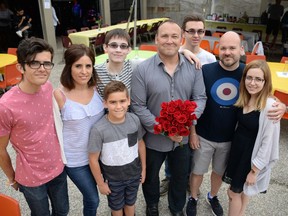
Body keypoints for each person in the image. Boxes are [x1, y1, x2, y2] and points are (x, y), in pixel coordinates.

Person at [186, 31, 286, 216]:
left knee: (218, 172)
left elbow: (265, 93)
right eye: (223, 48)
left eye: (232, 48)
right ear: (218, 50)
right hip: (203, 135)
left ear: (241, 50)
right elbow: (195, 101)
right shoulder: (206, 71)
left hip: (230, 139)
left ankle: (212, 196)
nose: (227, 52)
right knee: (197, 170)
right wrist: (192, 131)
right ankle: (193, 197)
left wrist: (282, 106)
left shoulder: (248, 72)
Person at [130, 20, 207, 216]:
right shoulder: (142, 70)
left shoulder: (194, 68)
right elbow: (138, 106)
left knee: (180, 176)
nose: (169, 40)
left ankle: (176, 207)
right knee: (151, 176)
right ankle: (152, 204)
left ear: (181, 40)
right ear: (156, 39)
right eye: (164, 36)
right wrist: (164, 129)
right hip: (153, 138)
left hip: (181, 139)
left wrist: (186, 122)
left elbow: (199, 98)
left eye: (174, 36)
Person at [0, 37, 69, 216]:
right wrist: (11, 177)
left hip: (57, 166)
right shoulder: (6, 106)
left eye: (47, 63)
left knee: (62, 211)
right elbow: (0, 149)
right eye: (34, 63)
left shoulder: (47, 88)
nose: (42, 69)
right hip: (31, 177)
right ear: (20, 67)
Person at [160, 15, 216, 196]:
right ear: (183, 32)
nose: (196, 35)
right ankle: (170, 177)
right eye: (191, 31)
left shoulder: (209, 58)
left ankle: (186, 180)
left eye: (200, 31)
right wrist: (183, 52)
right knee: (174, 147)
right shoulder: (175, 51)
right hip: (176, 114)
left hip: (199, 113)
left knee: (193, 151)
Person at [223, 60, 280, 216]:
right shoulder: (245, 98)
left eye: (258, 79)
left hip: (250, 158)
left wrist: (254, 171)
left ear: (265, 81)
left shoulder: (269, 106)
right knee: (243, 192)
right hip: (238, 152)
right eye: (249, 78)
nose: (252, 83)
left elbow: (267, 142)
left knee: (233, 194)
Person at [53, 44, 104, 216]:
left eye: (88, 66)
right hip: (76, 161)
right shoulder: (59, 95)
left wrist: (185, 51)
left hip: (99, 156)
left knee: (110, 191)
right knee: (92, 198)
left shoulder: (97, 88)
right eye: (78, 66)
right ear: (69, 67)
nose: (84, 71)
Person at [88, 80, 146, 216]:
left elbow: (140, 143)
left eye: (122, 101)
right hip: (113, 179)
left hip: (134, 175)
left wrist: (143, 169)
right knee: (116, 207)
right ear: (105, 103)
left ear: (128, 101)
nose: (118, 106)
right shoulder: (98, 129)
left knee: (131, 203)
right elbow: (93, 159)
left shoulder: (134, 120)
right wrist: (101, 184)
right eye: (113, 102)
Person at [95, 28, 140, 98]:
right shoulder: (96, 72)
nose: (118, 50)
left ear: (129, 50)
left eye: (123, 46)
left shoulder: (133, 66)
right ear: (105, 47)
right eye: (113, 45)